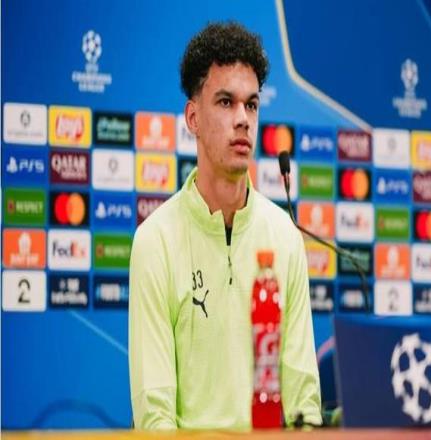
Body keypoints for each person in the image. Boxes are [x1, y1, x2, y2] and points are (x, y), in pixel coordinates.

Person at [128, 21, 321, 430]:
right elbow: (155, 416)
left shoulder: (285, 237)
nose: (242, 119)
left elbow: (304, 404)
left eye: (251, 105)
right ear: (193, 117)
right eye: (225, 102)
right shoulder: (155, 241)